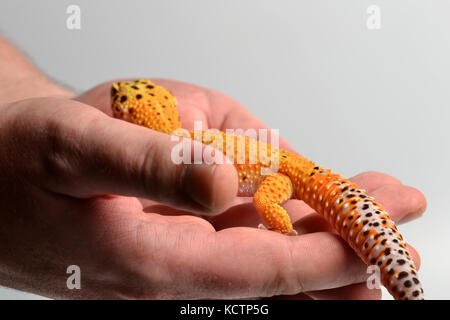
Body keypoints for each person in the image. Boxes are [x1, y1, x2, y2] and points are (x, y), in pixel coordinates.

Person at [0, 36, 426, 299]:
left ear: (149, 113)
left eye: (126, 102)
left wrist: (280, 230)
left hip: (284, 175)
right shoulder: (179, 140)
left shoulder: (179, 143)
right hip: (293, 170)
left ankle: (291, 238)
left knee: (267, 201)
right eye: (125, 99)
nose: (121, 98)